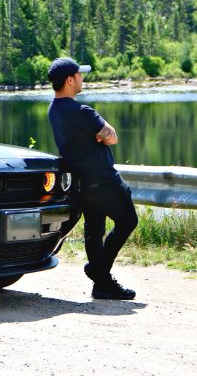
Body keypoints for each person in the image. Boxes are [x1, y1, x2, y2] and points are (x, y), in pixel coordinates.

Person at [47, 57, 138, 300]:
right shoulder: (81, 111)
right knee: (128, 221)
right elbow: (112, 136)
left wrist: (100, 134)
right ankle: (99, 272)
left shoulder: (54, 110)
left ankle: (101, 284)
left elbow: (104, 135)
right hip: (104, 180)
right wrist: (102, 133)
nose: (82, 78)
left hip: (83, 182)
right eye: (79, 75)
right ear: (69, 80)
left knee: (94, 231)